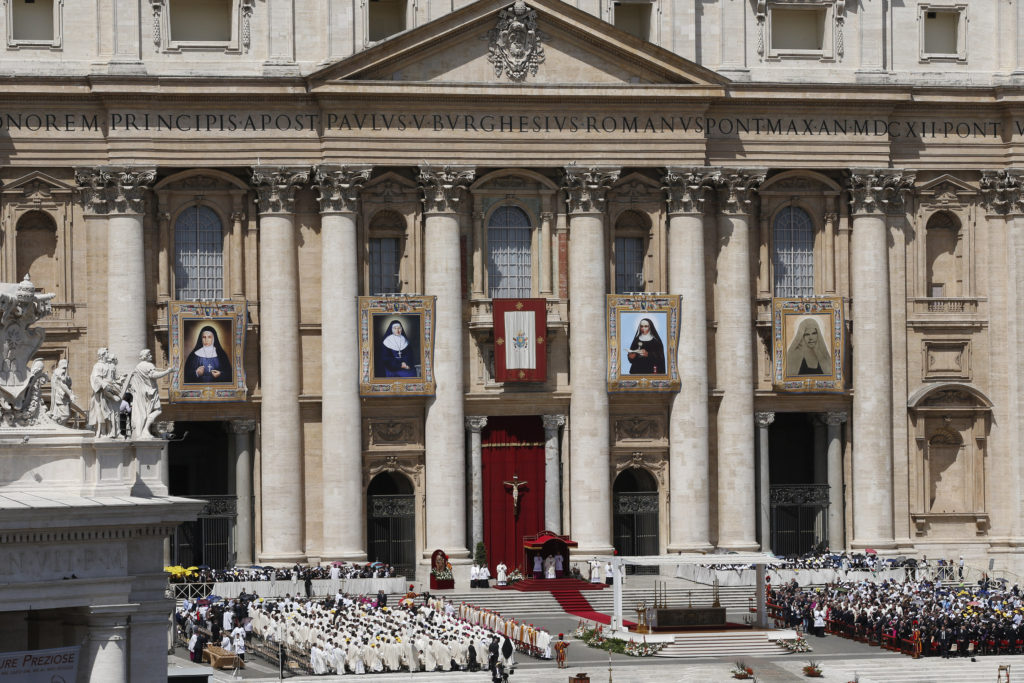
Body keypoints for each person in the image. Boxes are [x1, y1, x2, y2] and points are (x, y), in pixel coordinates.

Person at [126, 349, 173, 438]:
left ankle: (142, 431)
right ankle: (145, 431)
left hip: (141, 393)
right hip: (150, 392)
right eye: (149, 354)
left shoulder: (138, 366)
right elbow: (153, 375)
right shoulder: (148, 365)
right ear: (146, 356)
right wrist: (168, 372)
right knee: (157, 410)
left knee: (143, 412)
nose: (151, 355)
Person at [48, 358, 75, 425]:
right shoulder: (60, 372)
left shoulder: (57, 372)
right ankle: (54, 423)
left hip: (62, 397)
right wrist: (70, 394)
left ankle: (56, 424)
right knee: (65, 414)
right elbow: (63, 385)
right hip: (61, 397)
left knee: (62, 414)